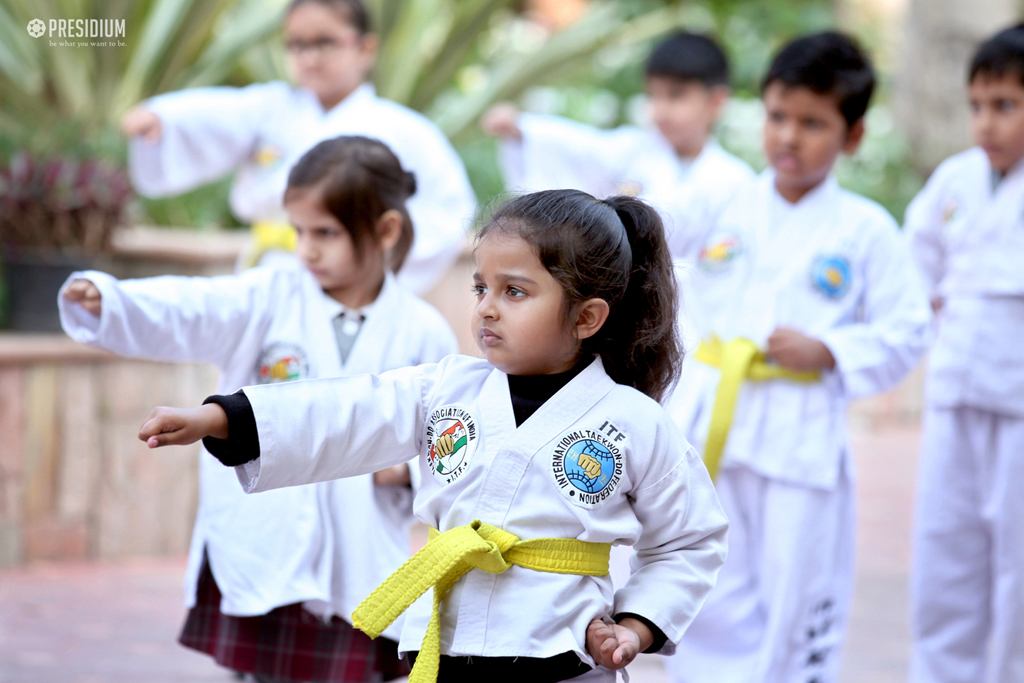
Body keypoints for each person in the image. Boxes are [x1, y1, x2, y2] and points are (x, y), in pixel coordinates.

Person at [136, 189, 729, 683]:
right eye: (481, 288)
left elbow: (689, 540)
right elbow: (345, 410)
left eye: (514, 291)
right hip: (448, 650)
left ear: (586, 317)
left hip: (567, 658)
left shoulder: (635, 422)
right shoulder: (446, 388)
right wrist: (226, 419)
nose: (487, 309)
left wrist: (637, 625)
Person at [60, 136, 458, 683]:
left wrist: (404, 470)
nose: (307, 249)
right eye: (298, 231)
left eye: (326, 233)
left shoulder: (423, 330)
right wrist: (116, 301)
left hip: (361, 560)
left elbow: (453, 440)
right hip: (267, 544)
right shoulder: (267, 297)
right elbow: (194, 308)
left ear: (385, 230)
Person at [661, 33, 931, 682]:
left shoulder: (864, 229)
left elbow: (908, 329)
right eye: (779, 116)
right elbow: (645, 248)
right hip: (715, 423)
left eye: (813, 123)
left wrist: (831, 350)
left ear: (853, 136)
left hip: (798, 436)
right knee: (709, 578)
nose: (789, 136)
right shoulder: (722, 198)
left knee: (796, 589)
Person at [121, 0, 476, 294]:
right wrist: (162, 118)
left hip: (355, 291)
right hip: (270, 277)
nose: (310, 56)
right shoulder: (270, 109)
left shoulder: (405, 130)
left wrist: (372, 264)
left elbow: (448, 209)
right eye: (297, 44)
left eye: (325, 42)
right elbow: (216, 116)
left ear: (365, 48)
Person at [904, 24, 1024, 683]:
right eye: (978, 105)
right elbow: (912, 264)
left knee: (1019, 567)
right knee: (945, 555)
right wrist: (927, 302)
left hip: (1019, 409)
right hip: (954, 397)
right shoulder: (955, 181)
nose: (987, 123)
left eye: (1006, 105)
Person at [481, 30, 754, 258]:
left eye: (676, 96)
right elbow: (580, 148)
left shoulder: (736, 181)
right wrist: (523, 129)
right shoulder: (631, 152)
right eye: (654, 96)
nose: (660, 110)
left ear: (716, 101)